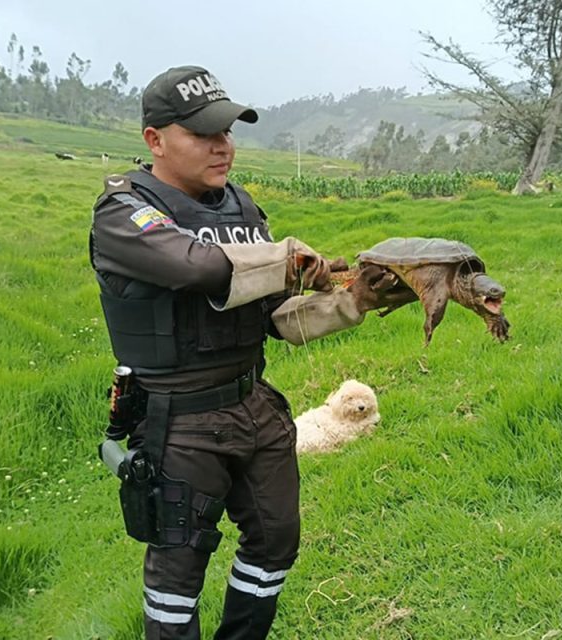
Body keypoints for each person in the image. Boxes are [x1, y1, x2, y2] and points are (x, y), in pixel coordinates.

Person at [89, 65, 414, 640]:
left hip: (254, 405)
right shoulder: (125, 212)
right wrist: (288, 258)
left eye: (228, 132)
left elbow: (275, 319)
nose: (223, 147)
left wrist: (353, 300)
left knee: (274, 541)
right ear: (155, 139)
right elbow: (196, 267)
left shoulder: (240, 210)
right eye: (204, 134)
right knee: (177, 573)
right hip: (180, 420)